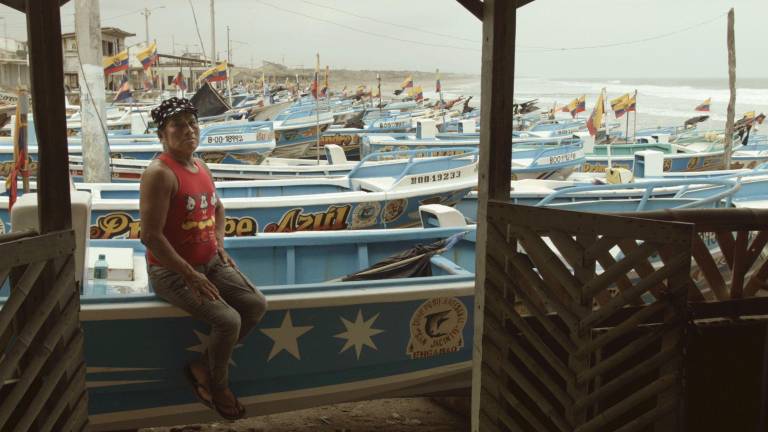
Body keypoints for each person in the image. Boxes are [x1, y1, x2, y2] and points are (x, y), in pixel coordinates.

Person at [140, 97, 267, 420]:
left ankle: (203, 365)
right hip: (172, 272)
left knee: (255, 304)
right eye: (177, 125)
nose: (189, 130)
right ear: (162, 134)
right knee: (229, 320)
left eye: (192, 123)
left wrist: (219, 243)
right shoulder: (160, 173)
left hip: (210, 261)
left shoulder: (200, 166)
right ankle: (218, 385)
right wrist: (190, 275)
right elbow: (150, 236)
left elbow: (218, 208)